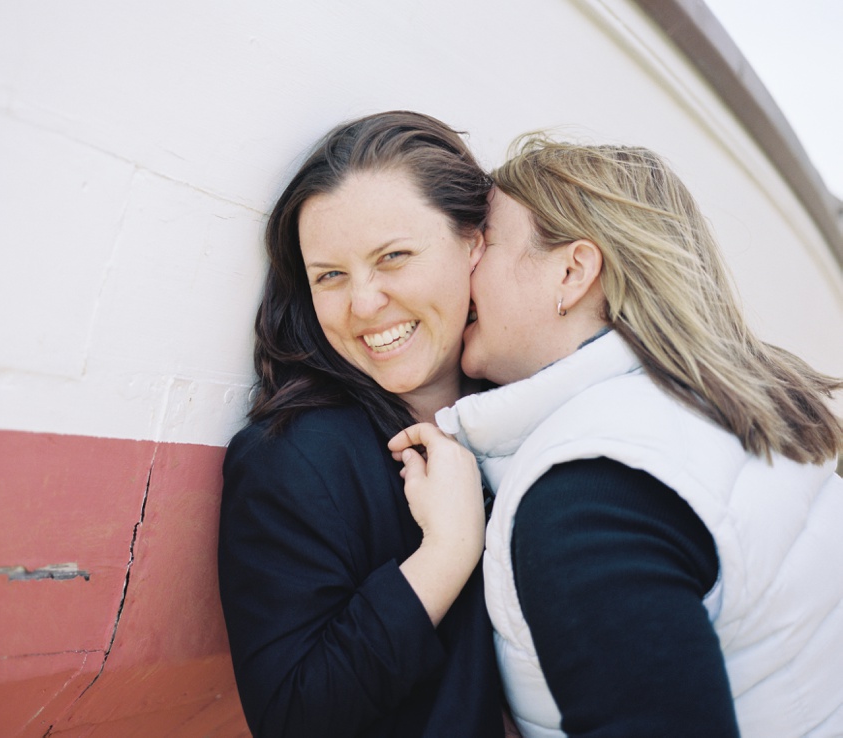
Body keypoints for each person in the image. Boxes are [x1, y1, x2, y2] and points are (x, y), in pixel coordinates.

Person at [390, 134, 843, 737]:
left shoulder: (589, 497)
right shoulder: (721, 417)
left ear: (573, 271)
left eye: (485, 244)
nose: (463, 266)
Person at [218, 111, 507, 738]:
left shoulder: (530, 420)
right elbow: (294, 716)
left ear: (473, 242)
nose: (364, 304)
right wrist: (447, 554)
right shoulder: (291, 460)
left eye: (394, 257)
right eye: (331, 276)